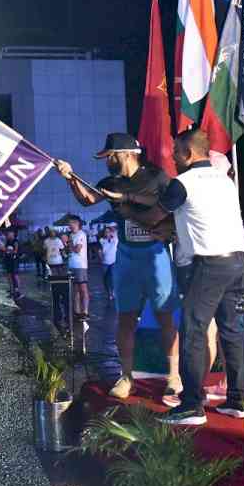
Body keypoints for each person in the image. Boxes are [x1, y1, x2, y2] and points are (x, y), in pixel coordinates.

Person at [103, 129, 244, 425]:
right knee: (231, 331)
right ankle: (238, 399)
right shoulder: (224, 180)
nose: (173, 157)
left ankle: (191, 405)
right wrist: (170, 230)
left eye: (176, 151)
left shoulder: (183, 183)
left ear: (189, 153)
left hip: (207, 265)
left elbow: (154, 216)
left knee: (193, 332)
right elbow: (196, 218)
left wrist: (124, 206)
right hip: (236, 262)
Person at [56, 133, 180, 401]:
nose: (107, 161)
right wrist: (70, 177)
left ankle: (174, 376)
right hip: (126, 257)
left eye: (110, 156)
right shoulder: (109, 182)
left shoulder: (157, 177)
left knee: (165, 317)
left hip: (156, 255)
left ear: (126, 153)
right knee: (125, 319)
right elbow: (87, 199)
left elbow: (176, 205)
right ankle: (126, 377)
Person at [66, 216, 89, 317]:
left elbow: (77, 249)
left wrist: (68, 243)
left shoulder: (81, 234)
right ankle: (77, 311)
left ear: (77, 223)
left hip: (80, 265)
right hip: (72, 265)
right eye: (69, 223)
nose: (69, 225)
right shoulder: (71, 235)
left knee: (83, 288)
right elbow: (69, 250)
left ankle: (85, 311)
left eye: (71, 223)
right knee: (75, 290)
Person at [99, 226, 118, 303]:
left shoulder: (115, 239)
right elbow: (100, 251)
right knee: (105, 279)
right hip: (105, 262)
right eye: (105, 232)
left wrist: (111, 228)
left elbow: (116, 232)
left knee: (112, 277)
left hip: (114, 262)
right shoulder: (102, 240)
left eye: (108, 232)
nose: (107, 233)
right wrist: (101, 258)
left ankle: (113, 292)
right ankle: (109, 293)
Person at [3, 230, 22, 299]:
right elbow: (6, 250)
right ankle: (11, 290)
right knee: (9, 275)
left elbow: (15, 251)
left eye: (9, 234)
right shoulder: (7, 241)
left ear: (12, 234)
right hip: (8, 260)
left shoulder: (15, 241)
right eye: (7, 234)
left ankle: (18, 291)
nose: (7, 235)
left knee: (15, 275)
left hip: (14, 261)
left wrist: (5, 250)